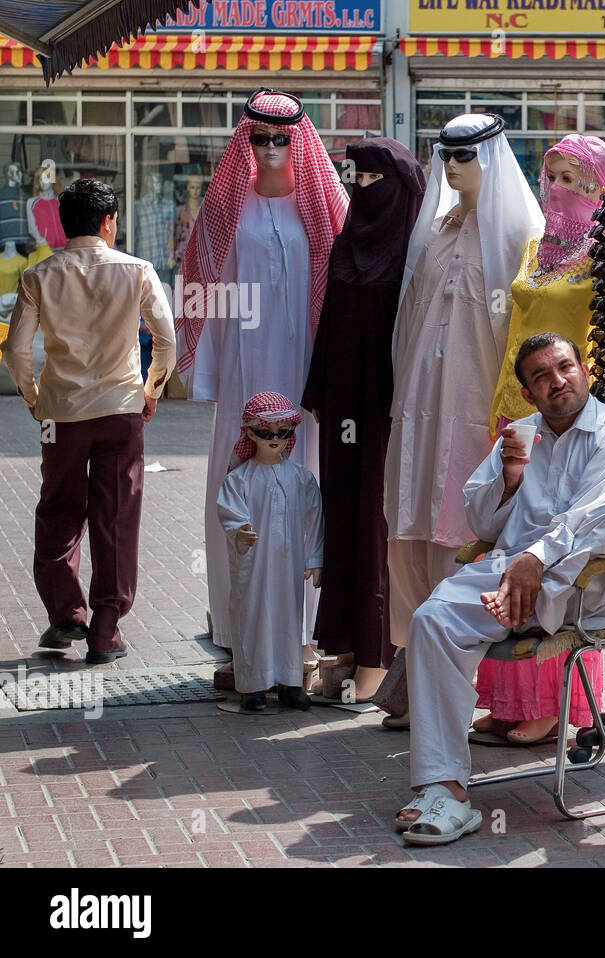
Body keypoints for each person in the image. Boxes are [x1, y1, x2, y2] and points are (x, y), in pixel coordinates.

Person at [395, 333, 605, 846]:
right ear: (527, 393)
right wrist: (511, 478)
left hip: (593, 588)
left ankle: (533, 588)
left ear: (584, 370)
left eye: (564, 368)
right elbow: (480, 520)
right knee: (431, 619)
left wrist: (536, 559)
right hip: (511, 579)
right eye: (541, 376)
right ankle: (445, 789)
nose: (557, 381)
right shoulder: (518, 435)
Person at [376, 113, 542, 722]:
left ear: (491, 159)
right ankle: (416, 672)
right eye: (445, 155)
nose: (452, 166)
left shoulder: (519, 231)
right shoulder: (436, 228)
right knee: (413, 531)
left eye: (465, 156)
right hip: (418, 405)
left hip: (478, 410)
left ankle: (465, 684)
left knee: (463, 533)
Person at [174, 88, 347, 655]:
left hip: (306, 371)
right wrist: (205, 373)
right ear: (245, 142)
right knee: (241, 488)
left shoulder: (323, 208)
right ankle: (238, 626)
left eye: (281, 138)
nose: (270, 148)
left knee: (307, 481)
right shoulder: (227, 208)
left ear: (298, 141)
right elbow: (202, 287)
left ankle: (307, 628)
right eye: (259, 139)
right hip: (244, 372)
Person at [0, 178, 176, 663]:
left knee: (58, 509)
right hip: (121, 409)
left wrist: (36, 398)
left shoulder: (38, 276)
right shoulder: (137, 270)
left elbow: (16, 350)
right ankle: (104, 630)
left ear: (63, 222)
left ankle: (66, 614)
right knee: (115, 516)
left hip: (62, 415)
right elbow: (167, 341)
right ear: (108, 221)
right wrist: (151, 389)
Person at [476, 133, 605, 744]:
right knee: (505, 548)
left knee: (557, 554)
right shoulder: (534, 248)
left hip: (571, 413)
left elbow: (604, 340)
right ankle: (508, 698)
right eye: (554, 174)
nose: (563, 189)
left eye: (580, 180)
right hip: (518, 409)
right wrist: (501, 405)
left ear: (600, 188)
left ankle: (554, 705)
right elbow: (516, 333)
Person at [302, 137, 425, 702]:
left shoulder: (413, 247)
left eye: (377, 181)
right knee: (343, 516)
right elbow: (330, 320)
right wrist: (321, 392)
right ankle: (345, 644)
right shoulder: (349, 238)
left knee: (376, 524)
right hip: (343, 407)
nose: (364, 189)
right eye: (359, 180)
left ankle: (379, 654)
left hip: (386, 407)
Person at [217, 392, 324, 712]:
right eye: (266, 432)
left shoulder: (301, 477)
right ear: (250, 433)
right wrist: (240, 531)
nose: (275, 439)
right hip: (254, 566)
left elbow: (315, 518)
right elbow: (230, 514)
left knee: (289, 620)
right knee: (253, 618)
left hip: (290, 566)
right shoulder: (239, 479)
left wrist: (314, 559)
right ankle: (253, 686)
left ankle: (290, 683)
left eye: (283, 432)